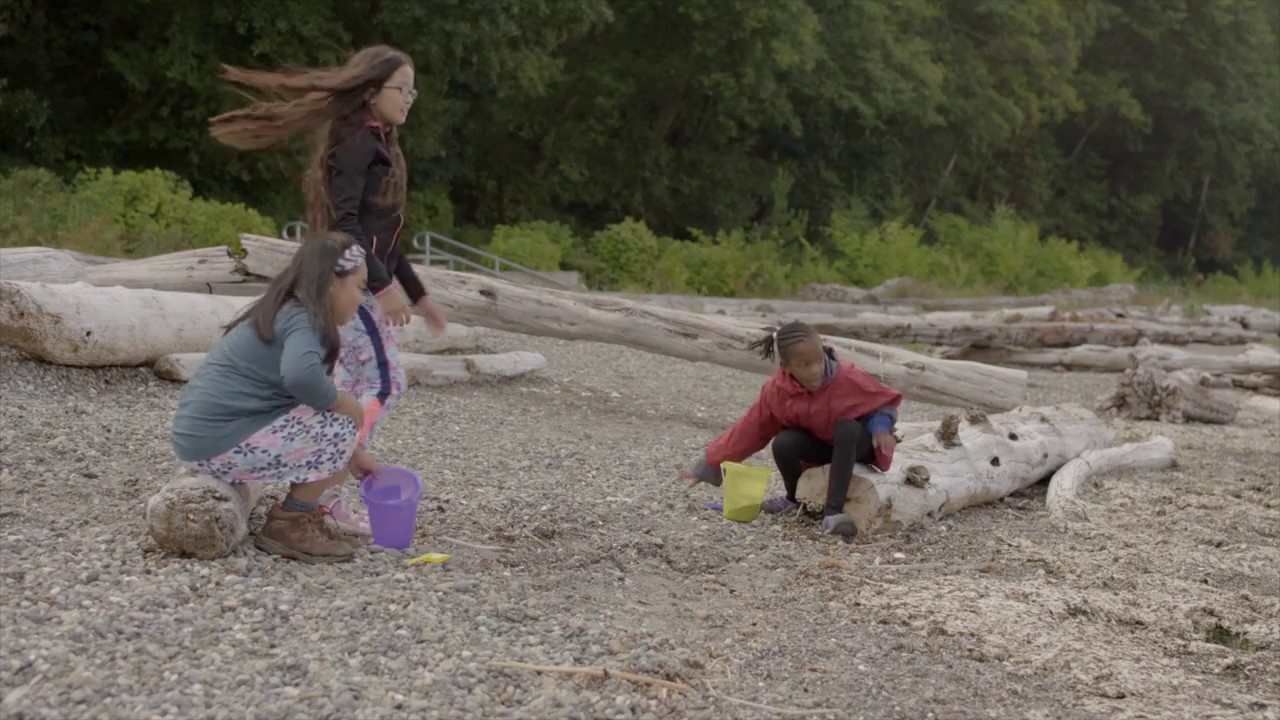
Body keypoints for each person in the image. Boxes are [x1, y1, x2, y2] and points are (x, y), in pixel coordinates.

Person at [208, 45, 448, 521]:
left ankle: (323, 488)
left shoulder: (380, 143)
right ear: (371, 91)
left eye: (413, 90)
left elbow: (386, 237)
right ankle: (321, 485)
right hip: (348, 287)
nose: (410, 99)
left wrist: (418, 293)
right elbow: (347, 226)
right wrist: (380, 287)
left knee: (353, 383)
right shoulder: (358, 143)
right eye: (404, 89)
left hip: (356, 282)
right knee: (385, 385)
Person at [171, 232, 379, 563]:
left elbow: (300, 399)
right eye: (359, 286)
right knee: (339, 417)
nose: (362, 298)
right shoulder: (304, 319)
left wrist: (352, 455)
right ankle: (290, 523)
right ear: (329, 285)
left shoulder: (288, 312)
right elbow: (300, 378)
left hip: (204, 438)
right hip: (216, 441)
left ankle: (302, 514)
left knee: (335, 416)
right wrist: (343, 403)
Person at [680, 320, 903, 537]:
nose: (816, 369)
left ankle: (833, 515)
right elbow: (751, 428)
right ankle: (794, 498)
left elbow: (883, 403)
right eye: (805, 365)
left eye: (819, 360)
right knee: (785, 442)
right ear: (786, 367)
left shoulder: (847, 378)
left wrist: (881, 429)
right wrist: (711, 464)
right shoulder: (778, 391)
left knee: (846, 429)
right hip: (825, 448)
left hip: (858, 445)